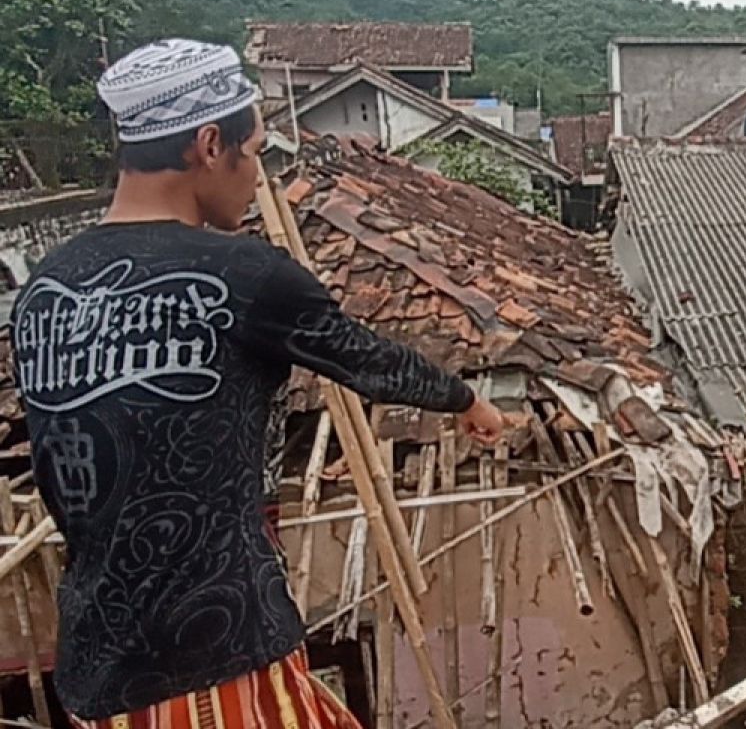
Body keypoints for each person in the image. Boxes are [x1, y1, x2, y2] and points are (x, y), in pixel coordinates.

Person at [9, 39, 504, 728]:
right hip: (216, 665)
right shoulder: (242, 275)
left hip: (97, 677)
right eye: (258, 152)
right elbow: (369, 360)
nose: (256, 175)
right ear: (210, 145)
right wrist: (469, 399)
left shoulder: (43, 291)